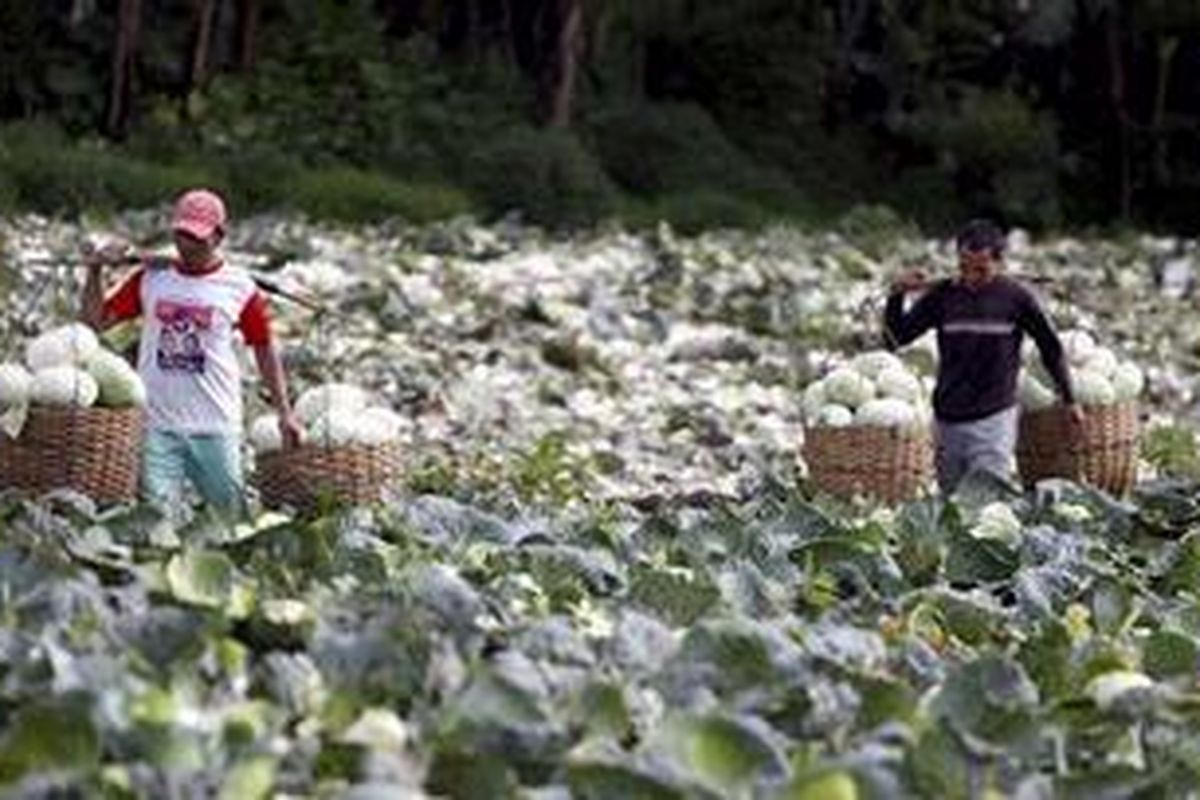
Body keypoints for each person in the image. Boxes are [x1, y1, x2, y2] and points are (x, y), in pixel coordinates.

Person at [81, 188, 303, 517]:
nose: (188, 245)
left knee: (230, 518)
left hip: (215, 424)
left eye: (197, 238)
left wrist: (285, 413)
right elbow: (94, 322)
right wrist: (95, 270)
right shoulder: (151, 277)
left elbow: (264, 348)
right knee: (157, 524)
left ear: (219, 236)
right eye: (182, 235)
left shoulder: (239, 287)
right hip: (157, 424)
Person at [883, 218, 1083, 493]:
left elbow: (1050, 347)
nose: (970, 278)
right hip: (947, 418)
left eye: (981, 270)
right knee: (952, 507)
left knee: (986, 506)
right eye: (964, 268)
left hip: (994, 419)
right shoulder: (943, 296)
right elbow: (895, 338)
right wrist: (896, 296)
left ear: (999, 263)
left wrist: (1070, 399)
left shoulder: (1017, 298)